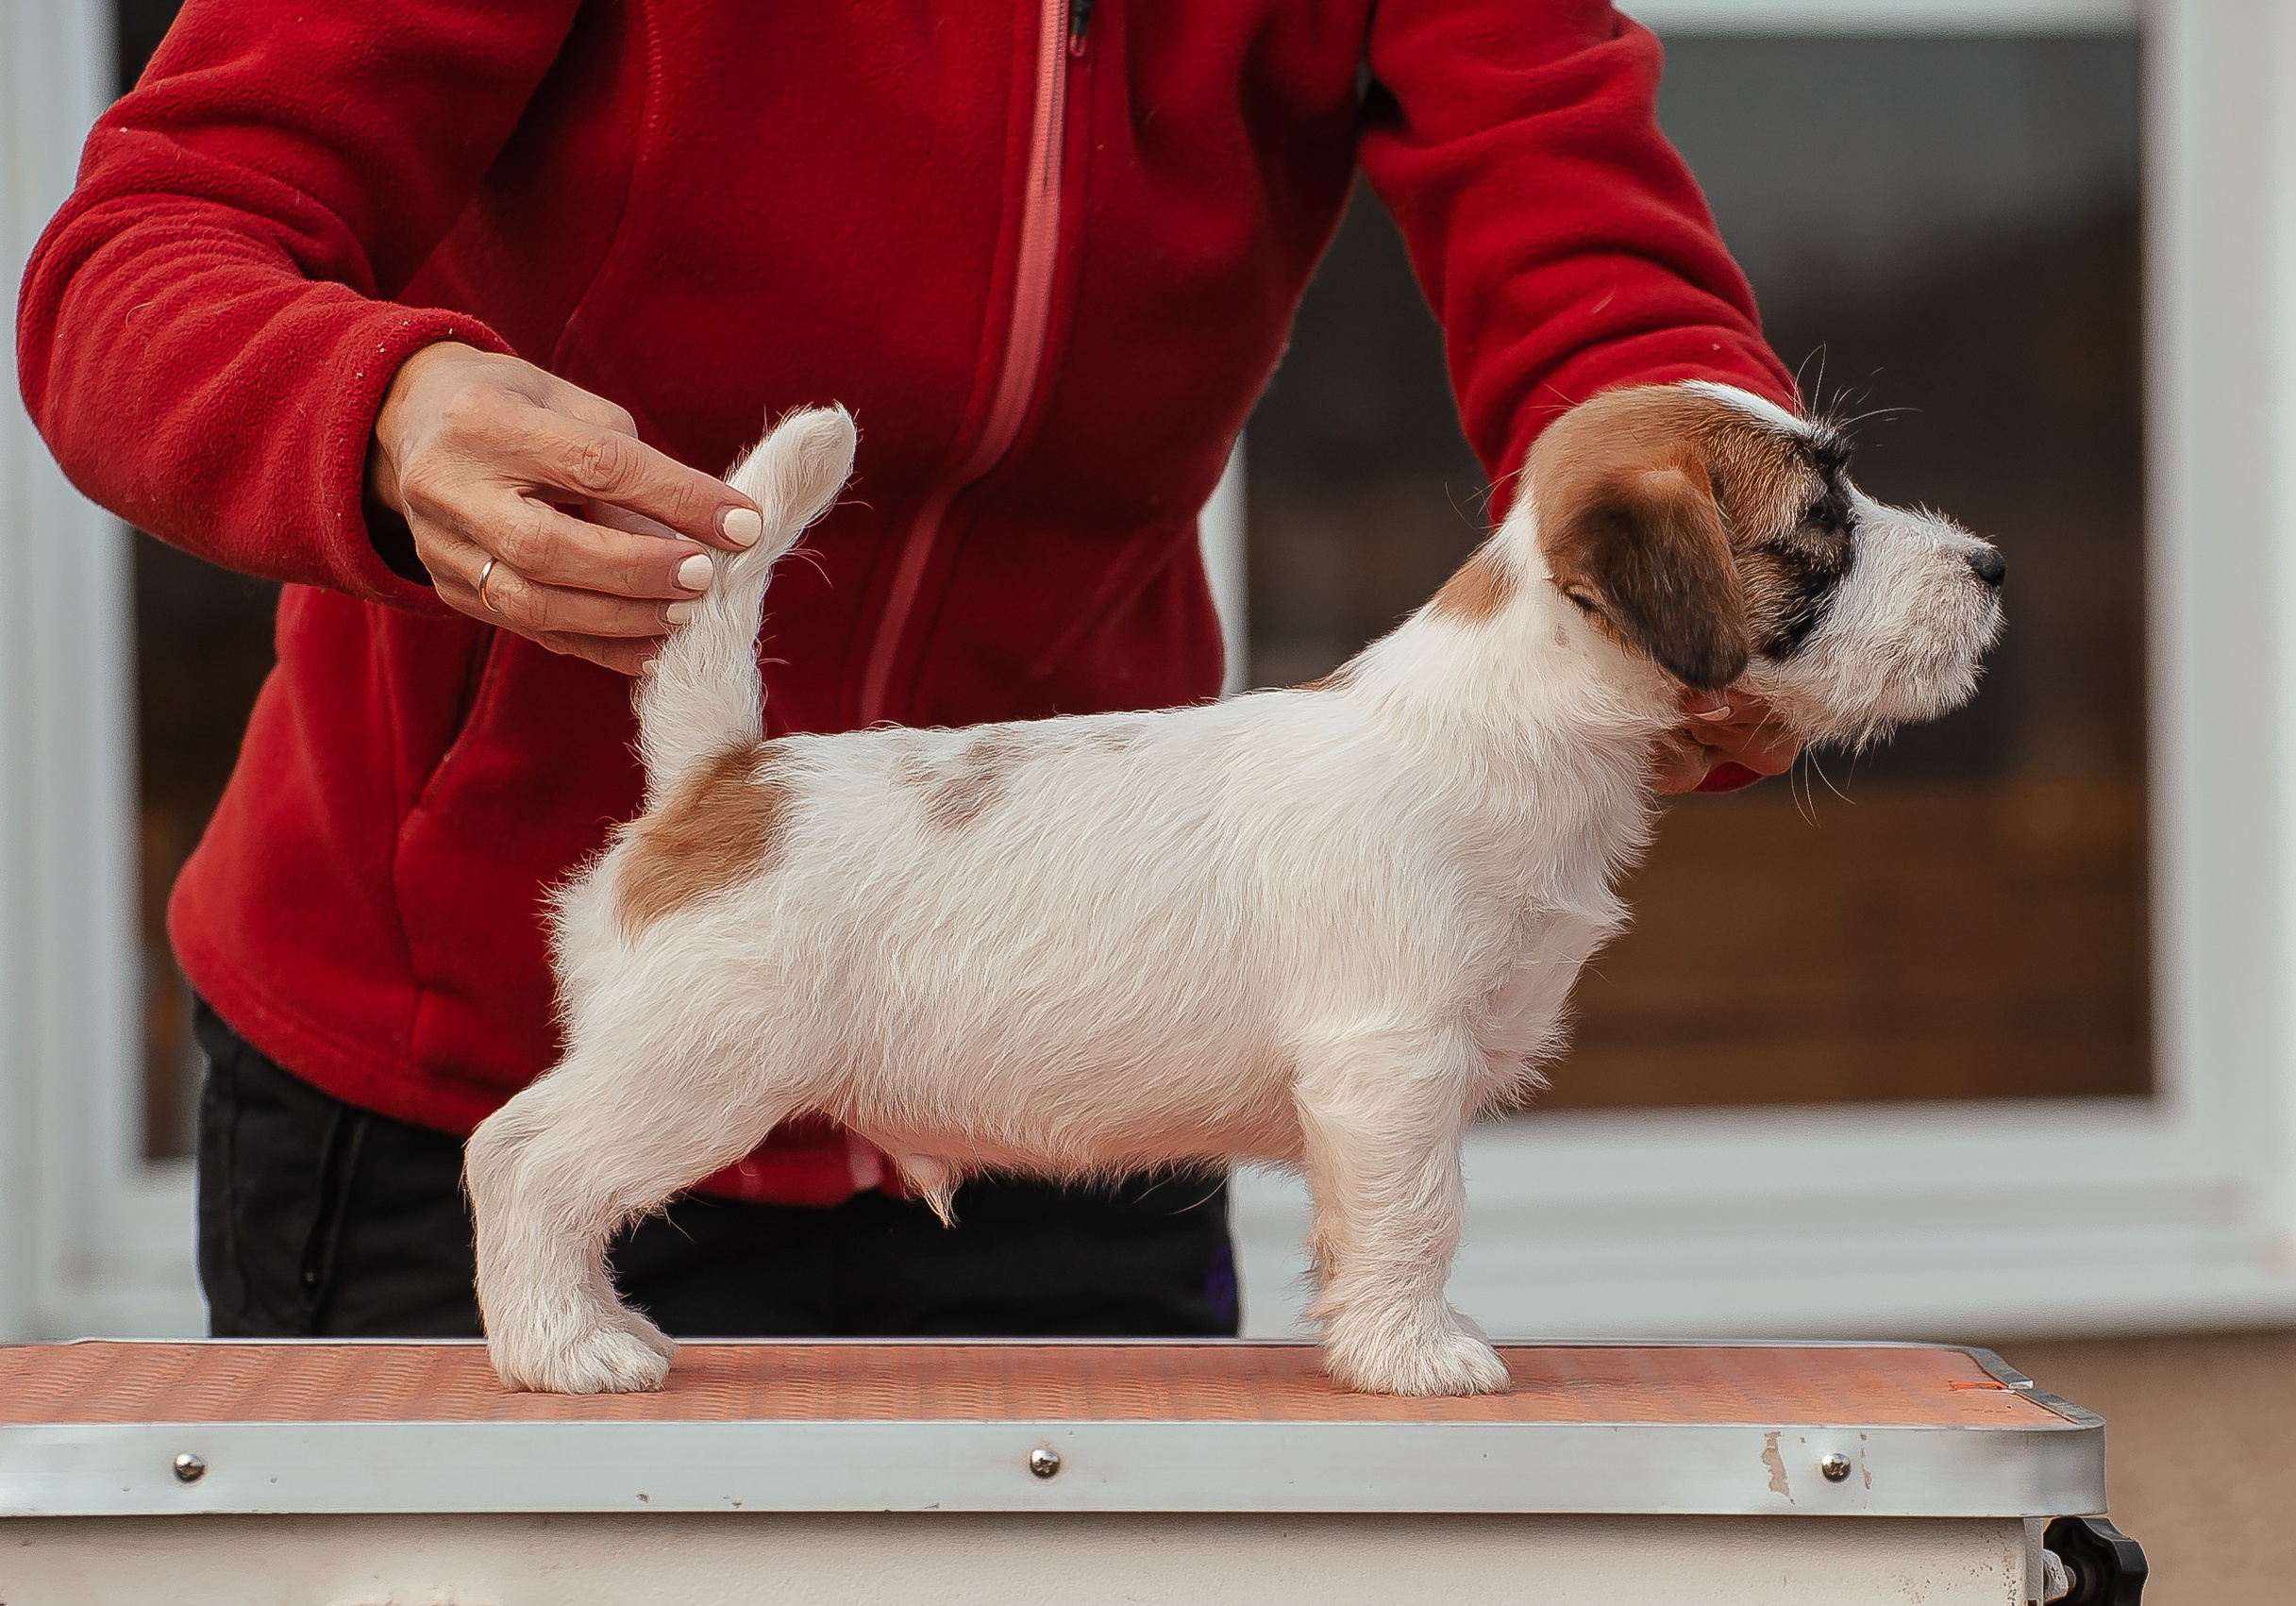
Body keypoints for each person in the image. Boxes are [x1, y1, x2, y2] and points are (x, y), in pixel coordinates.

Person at [16, 0, 1801, 1341]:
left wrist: (1733, 528)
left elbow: (1585, 256)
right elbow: (135, 261)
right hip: (454, 1037)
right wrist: (380, 410)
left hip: (1100, 1038)